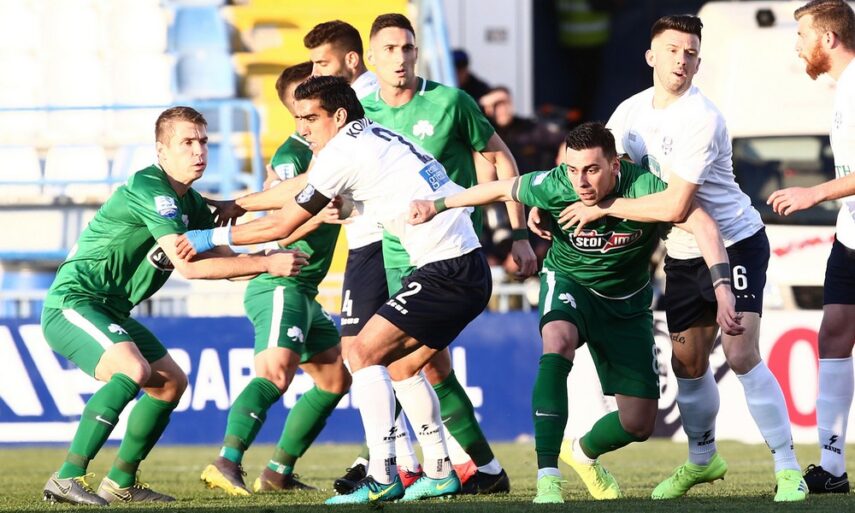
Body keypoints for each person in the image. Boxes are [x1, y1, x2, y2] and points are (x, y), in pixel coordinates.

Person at [176, 76, 492, 504]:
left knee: (360, 353)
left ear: (339, 116)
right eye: (298, 118)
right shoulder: (372, 135)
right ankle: (438, 471)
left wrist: (207, 237)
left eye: (310, 118)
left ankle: (382, 476)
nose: (302, 128)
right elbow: (309, 184)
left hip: (447, 269)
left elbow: (282, 225)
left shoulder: (344, 153)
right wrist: (240, 204)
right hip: (463, 265)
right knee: (401, 367)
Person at [539, 15, 808, 502]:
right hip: (681, 253)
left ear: (699, 62)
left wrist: (603, 208)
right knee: (688, 364)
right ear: (651, 56)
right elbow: (586, 157)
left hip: (733, 242)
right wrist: (548, 203)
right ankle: (702, 462)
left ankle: (788, 468)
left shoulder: (702, 118)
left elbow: (677, 206)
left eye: (690, 53)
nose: (681, 60)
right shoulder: (629, 112)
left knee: (741, 352)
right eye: (672, 50)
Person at [409, 121, 741, 504]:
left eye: (591, 170)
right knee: (558, 341)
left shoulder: (644, 187)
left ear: (615, 165)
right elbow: (502, 188)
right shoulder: (556, 185)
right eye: (572, 169)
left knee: (638, 423)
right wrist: (436, 206)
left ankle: (581, 452)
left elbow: (703, 224)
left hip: (627, 303)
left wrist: (722, 288)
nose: (580, 181)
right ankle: (548, 478)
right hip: (570, 283)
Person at [39, 107, 307, 506]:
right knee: (133, 370)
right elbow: (190, 266)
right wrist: (267, 263)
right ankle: (66, 477)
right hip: (74, 302)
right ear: (161, 151)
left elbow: (226, 262)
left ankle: (121, 481)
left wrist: (266, 257)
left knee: (169, 383)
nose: (199, 151)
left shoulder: (191, 203)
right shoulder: (151, 188)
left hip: (111, 310)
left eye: (204, 142)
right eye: (187, 142)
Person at [360, 12, 539, 494]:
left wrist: (517, 233)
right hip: (396, 252)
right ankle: (471, 469)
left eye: (407, 48)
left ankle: (419, 468)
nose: (400, 57)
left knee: (398, 359)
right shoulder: (361, 114)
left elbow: (500, 159)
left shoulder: (450, 102)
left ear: (417, 53)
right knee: (423, 365)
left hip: (449, 252)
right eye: (390, 49)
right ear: (371, 58)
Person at [200, 62, 351, 496]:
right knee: (276, 373)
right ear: (293, 106)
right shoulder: (292, 155)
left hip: (304, 287)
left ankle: (277, 473)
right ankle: (226, 461)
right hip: (281, 280)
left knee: (335, 380)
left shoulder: (335, 150)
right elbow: (283, 222)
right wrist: (318, 216)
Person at [303, 19, 424, 492]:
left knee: (375, 356)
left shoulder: (368, 104)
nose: (315, 72)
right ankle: (408, 461)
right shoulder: (352, 111)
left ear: (352, 61)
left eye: (322, 63)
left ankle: (407, 464)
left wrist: (221, 230)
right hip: (373, 238)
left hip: (383, 242)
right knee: (382, 359)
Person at [767, 0, 855, 494]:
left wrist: (814, 193)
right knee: (834, 336)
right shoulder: (843, 88)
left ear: (828, 39)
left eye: (801, 35)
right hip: (850, 236)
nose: (796, 46)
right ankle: (833, 469)